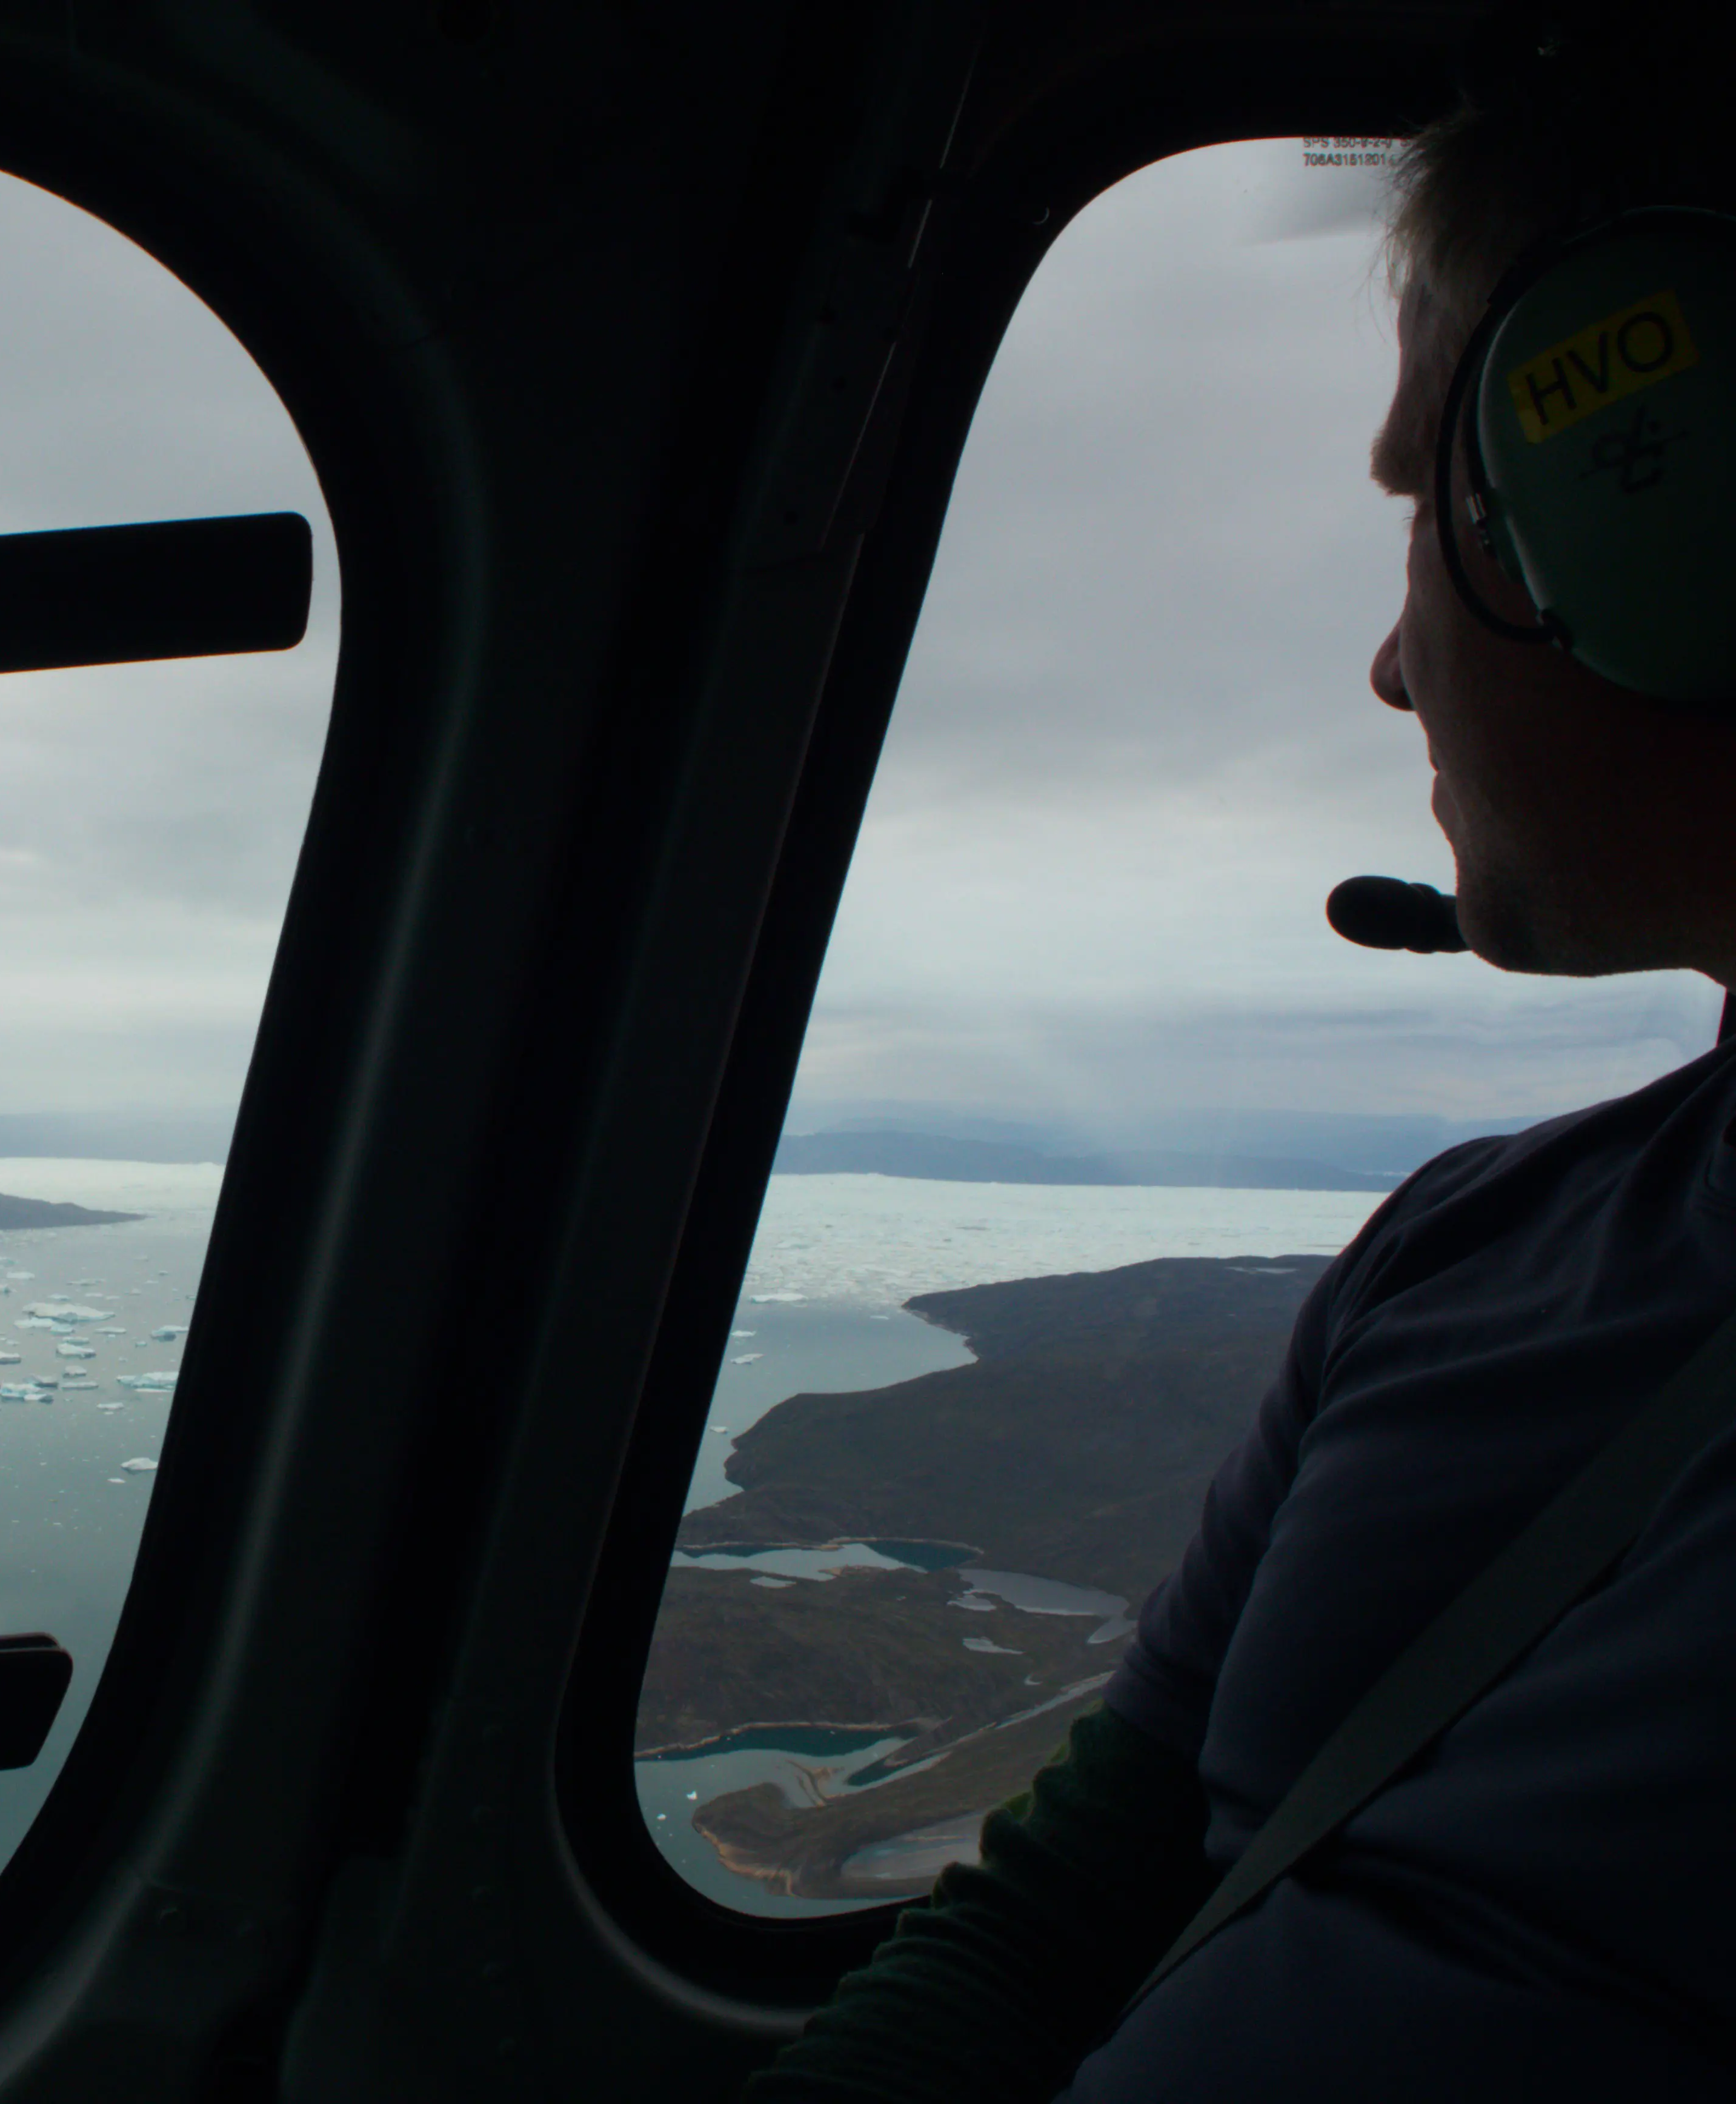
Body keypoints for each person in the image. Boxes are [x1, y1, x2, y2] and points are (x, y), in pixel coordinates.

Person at [740, 19, 1736, 2101]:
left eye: (1426, 509)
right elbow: (1052, 1921)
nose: (1392, 664)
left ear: (1653, 500)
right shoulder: (1466, 1253)